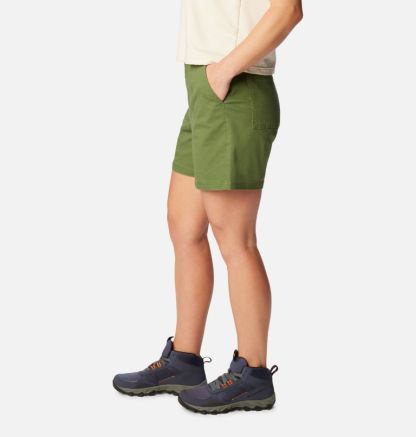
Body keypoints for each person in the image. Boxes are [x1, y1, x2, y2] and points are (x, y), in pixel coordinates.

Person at [113, 0, 303, 414]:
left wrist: (225, 70)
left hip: (235, 86)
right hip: (205, 90)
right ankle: (184, 360)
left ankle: (252, 374)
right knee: (184, 226)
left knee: (236, 239)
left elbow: (288, 9)